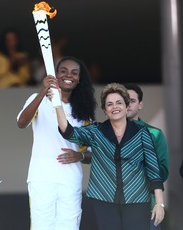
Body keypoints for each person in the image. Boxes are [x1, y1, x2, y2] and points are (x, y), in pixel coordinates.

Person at [53, 82, 165, 230]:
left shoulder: (142, 133)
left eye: (119, 103)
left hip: (137, 198)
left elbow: (153, 169)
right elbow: (68, 132)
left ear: (126, 107)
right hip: (103, 198)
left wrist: (159, 203)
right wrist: (57, 103)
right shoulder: (96, 131)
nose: (115, 107)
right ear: (105, 110)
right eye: (110, 104)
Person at [17, 56, 97, 230]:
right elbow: (21, 123)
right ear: (55, 74)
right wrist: (42, 92)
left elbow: (92, 154)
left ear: (79, 79)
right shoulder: (38, 100)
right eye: (63, 71)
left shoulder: (84, 112)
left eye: (74, 73)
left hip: (70, 179)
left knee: (69, 226)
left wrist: (79, 155)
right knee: (42, 226)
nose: (69, 75)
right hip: (42, 177)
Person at [123, 83, 169, 230]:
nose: (127, 104)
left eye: (132, 100)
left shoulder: (154, 134)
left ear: (140, 104)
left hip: (146, 206)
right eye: (123, 100)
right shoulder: (106, 134)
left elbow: (163, 171)